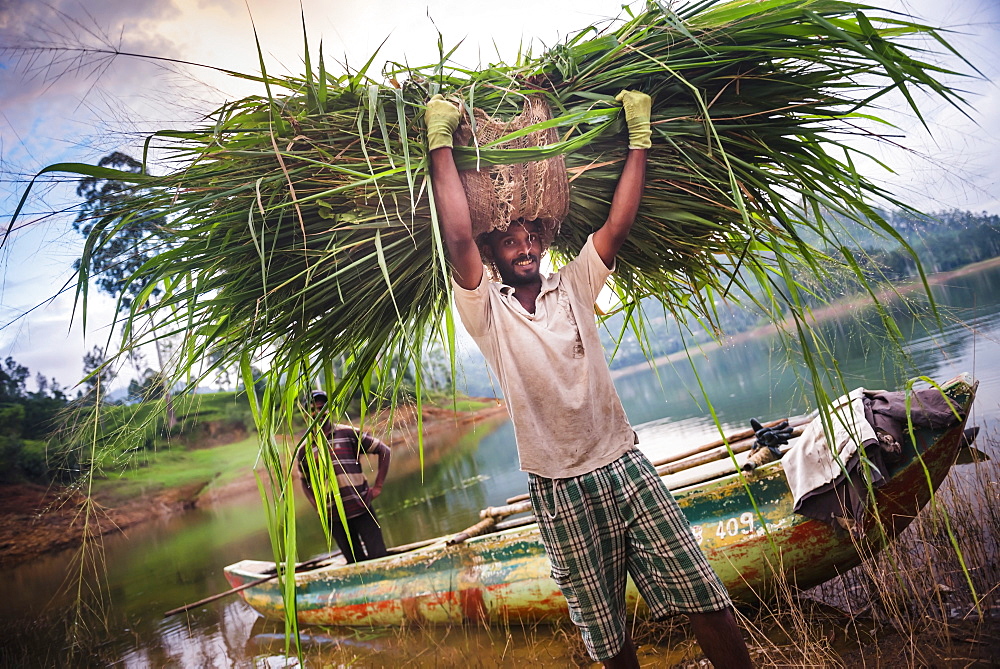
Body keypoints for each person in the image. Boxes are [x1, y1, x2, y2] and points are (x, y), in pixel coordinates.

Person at [426, 91, 753, 668]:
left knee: (706, 594)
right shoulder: (487, 311)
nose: (524, 246)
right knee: (607, 638)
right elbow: (456, 237)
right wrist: (440, 142)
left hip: (624, 466)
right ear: (494, 253)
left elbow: (618, 225)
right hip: (558, 489)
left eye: (530, 237)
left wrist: (639, 136)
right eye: (509, 239)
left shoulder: (574, 286)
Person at [296, 390, 391, 563]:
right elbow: (304, 481)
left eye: (322, 407)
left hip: (361, 506)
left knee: (380, 558)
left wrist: (377, 487)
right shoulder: (304, 449)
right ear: (307, 414)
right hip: (334, 517)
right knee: (355, 564)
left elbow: (384, 450)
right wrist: (317, 507)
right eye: (313, 409)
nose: (318, 412)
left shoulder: (348, 433)